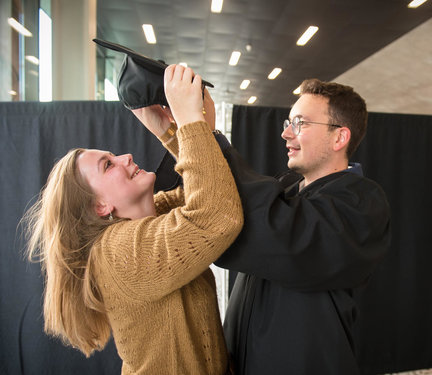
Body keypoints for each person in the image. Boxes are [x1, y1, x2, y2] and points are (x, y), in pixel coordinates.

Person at [23, 65, 243, 375]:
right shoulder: (117, 252)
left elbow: (215, 188)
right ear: (100, 206)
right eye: (108, 165)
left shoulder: (155, 216)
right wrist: (190, 123)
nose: (125, 157)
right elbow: (218, 216)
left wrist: (169, 130)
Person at [211, 79, 392, 374]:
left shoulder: (362, 203)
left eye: (300, 123)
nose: (285, 134)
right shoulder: (288, 192)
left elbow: (285, 238)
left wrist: (209, 138)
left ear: (339, 138)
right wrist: (176, 135)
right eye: (288, 122)